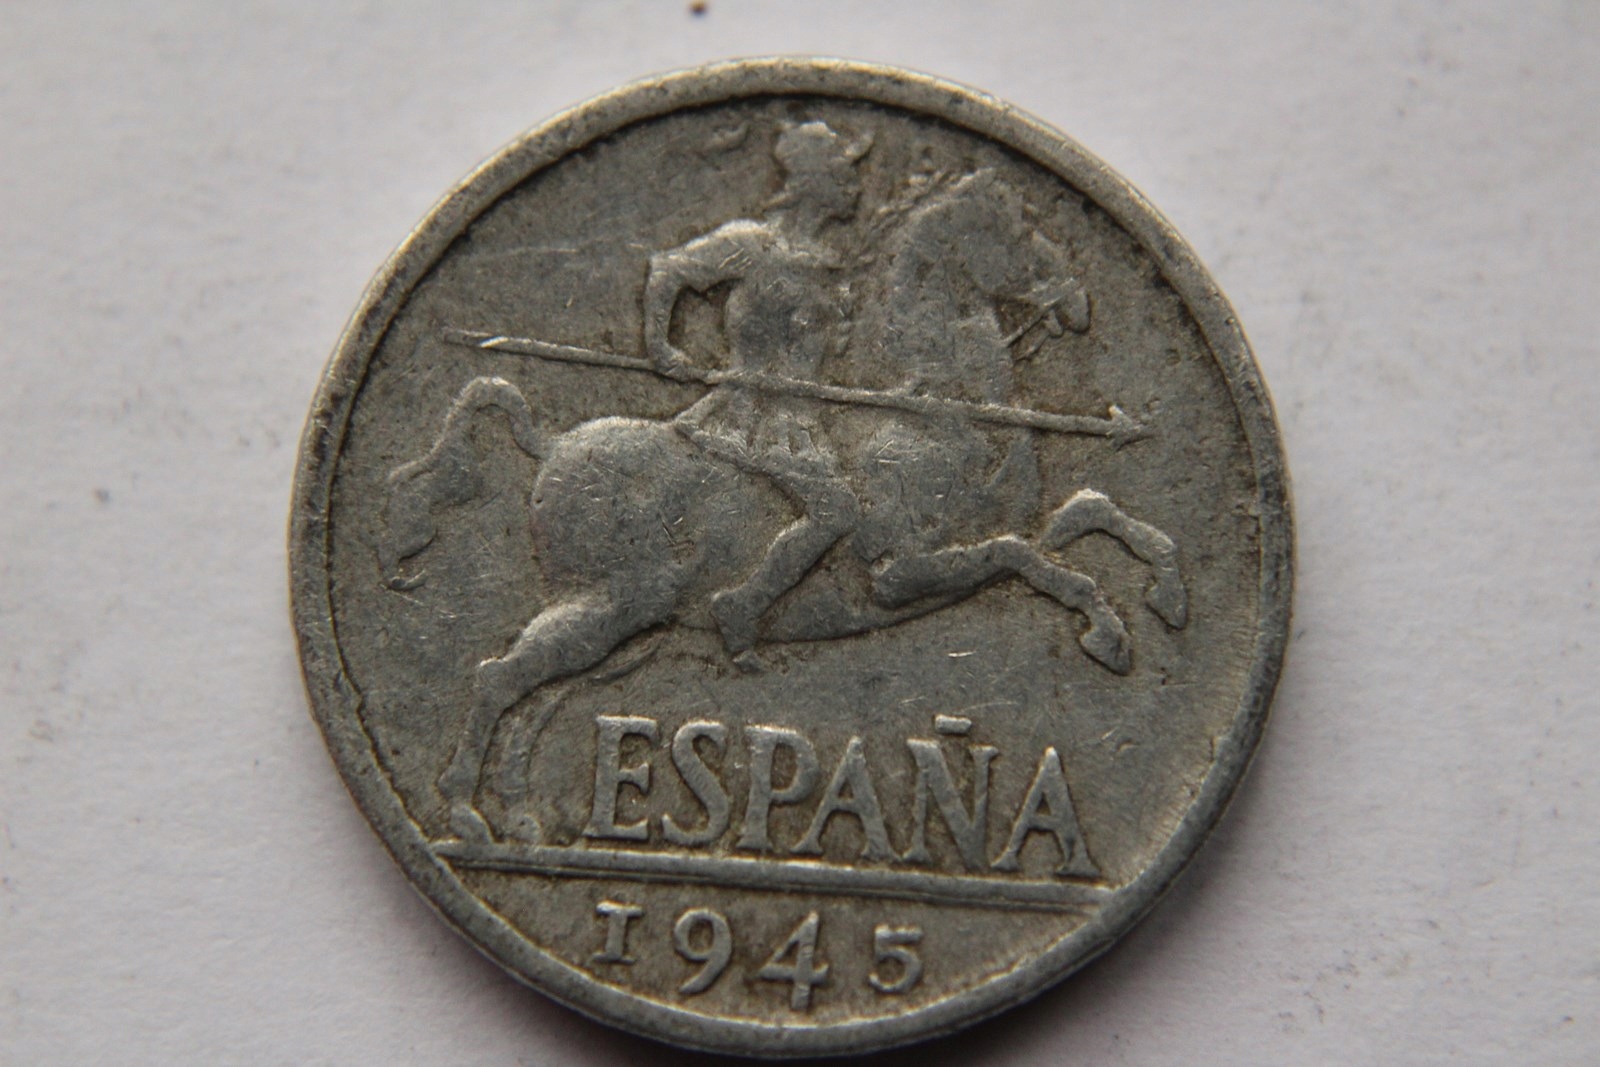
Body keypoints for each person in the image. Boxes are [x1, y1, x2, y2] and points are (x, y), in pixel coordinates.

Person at [642, 120, 870, 659]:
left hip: (804, 416)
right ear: (813, 181)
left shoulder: (826, 263)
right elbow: (667, 270)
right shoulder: (752, 245)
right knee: (837, 512)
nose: (855, 186)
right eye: (844, 173)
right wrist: (661, 349)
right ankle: (743, 604)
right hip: (754, 412)